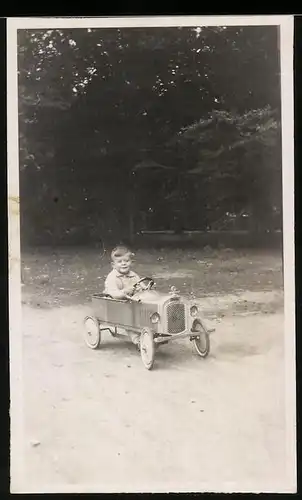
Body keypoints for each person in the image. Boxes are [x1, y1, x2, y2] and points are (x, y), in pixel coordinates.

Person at [104, 245, 141, 347]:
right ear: (113, 264)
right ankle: (137, 339)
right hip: (116, 305)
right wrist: (125, 292)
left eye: (126, 261)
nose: (123, 264)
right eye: (119, 262)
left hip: (131, 303)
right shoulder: (112, 277)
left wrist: (143, 288)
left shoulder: (133, 275)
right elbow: (113, 293)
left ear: (131, 262)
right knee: (127, 318)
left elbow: (140, 285)